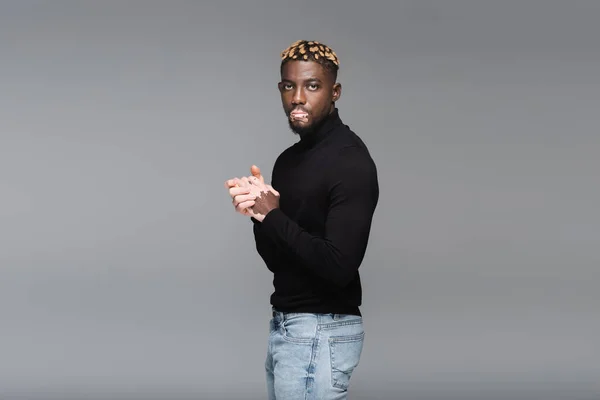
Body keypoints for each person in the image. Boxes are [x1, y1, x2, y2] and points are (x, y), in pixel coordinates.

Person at [224, 39, 379, 400]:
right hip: (287, 326)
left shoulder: (350, 162)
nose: (297, 97)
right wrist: (258, 213)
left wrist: (273, 216)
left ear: (334, 91)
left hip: (321, 330)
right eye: (289, 86)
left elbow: (339, 265)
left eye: (312, 85)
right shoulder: (288, 161)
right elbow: (277, 261)